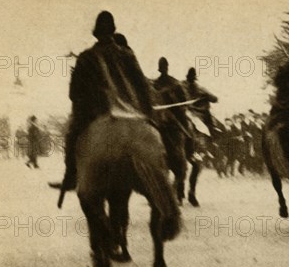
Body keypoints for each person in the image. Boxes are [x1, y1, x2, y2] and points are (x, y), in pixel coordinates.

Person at [52, 11, 154, 191]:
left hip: (97, 113)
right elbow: (143, 87)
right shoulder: (128, 54)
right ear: (114, 30)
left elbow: (74, 94)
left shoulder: (86, 57)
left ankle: (71, 176)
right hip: (131, 114)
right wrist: (148, 116)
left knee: (72, 135)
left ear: (96, 33)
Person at [153, 57, 189, 204]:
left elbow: (183, 104)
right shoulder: (157, 84)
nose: (163, 69)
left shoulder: (174, 84)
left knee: (189, 134)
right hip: (164, 122)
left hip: (170, 121)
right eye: (162, 67)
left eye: (163, 67)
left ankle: (178, 191)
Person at [183, 67, 218, 137]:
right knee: (212, 127)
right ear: (194, 78)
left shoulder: (181, 85)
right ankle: (213, 137)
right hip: (200, 114)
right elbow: (215, 99)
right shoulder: (200, 88)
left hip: (186, 111)